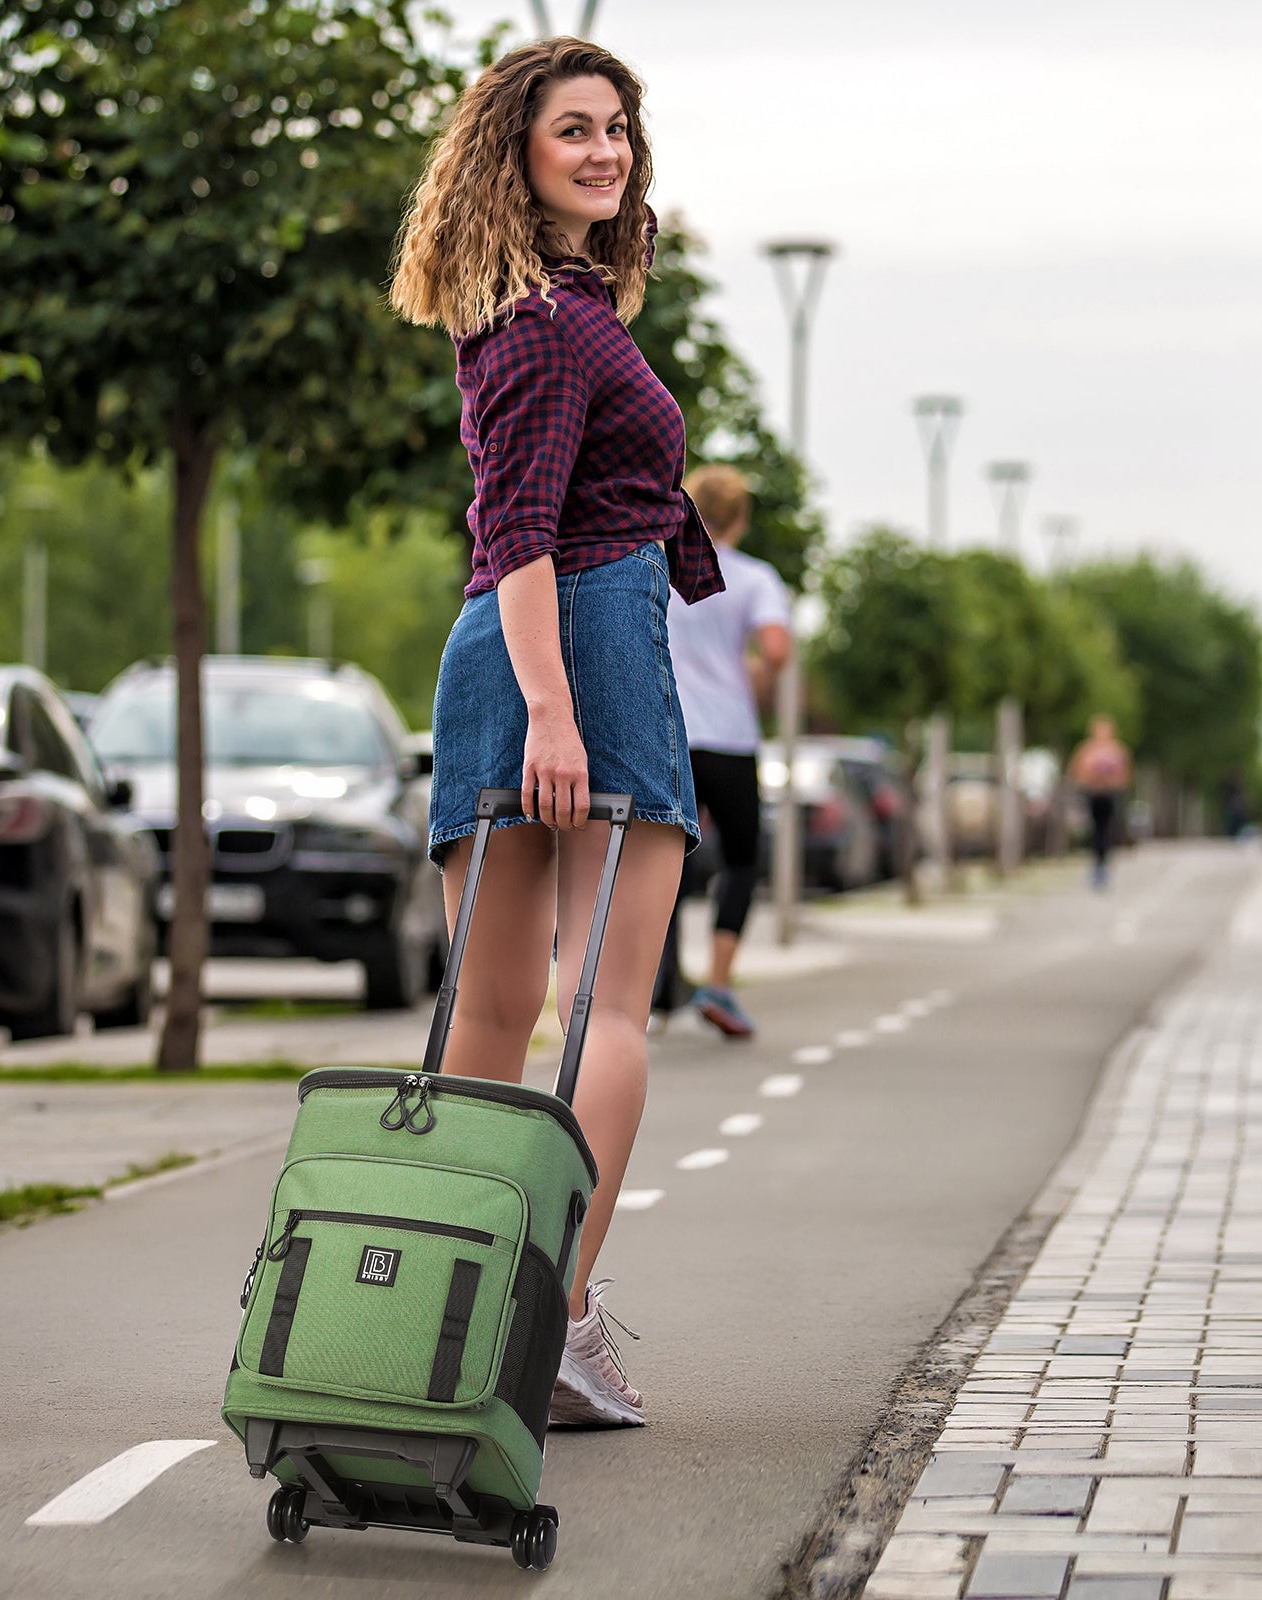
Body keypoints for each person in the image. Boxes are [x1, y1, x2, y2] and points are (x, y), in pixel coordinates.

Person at [391, 37, 723, 1428]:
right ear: (514, 155)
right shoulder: (545, 320)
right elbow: (518, 528)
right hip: (568, 645)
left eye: (618, 130)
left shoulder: (540, 308)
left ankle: (452, 1319)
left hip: (531, 645)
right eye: (573, 130)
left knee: (494, 1008)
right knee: (609, 1001)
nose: (605, 151)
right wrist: (556, 711)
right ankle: (553, 1323)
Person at [652, 464, 792, 1038]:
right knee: (739, 858)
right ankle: (719, 982)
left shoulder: (661, 564)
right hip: (731, 736)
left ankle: (653, 992)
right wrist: (753, 678)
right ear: (739, 518)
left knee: (662, 859)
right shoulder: (756, 578)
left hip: (667, 730)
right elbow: (777, 648)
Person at [1067, 714, 1134, 890]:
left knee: (1106, 831)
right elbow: (1076, 772)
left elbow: (1125, 775)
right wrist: (1090, 780)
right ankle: (1096, 865)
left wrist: (1111, 782)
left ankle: (1103, 866)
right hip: (1092, 795)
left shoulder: (1117, 750)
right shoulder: (1086, 750)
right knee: (1094, 831)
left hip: (1109, 796)